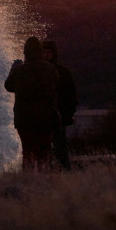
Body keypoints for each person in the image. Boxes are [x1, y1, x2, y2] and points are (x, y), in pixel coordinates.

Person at [5, 37, 59, 170]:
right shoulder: (50, 69)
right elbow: (56, 84)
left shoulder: (19, 71)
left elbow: (8, 86)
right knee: (44, 151)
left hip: (24, 118)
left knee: (28, 151)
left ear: (26, 52)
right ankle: (44, 177)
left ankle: (28, 179)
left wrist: (13, 69)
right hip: (46, 117)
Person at [44, 40, 78, 171]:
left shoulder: (63, 72)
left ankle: (64, 171)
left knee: (60, 148)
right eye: (43, 53)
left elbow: (71, 94)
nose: (46, 55)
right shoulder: (40, 73)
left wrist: (68, 114)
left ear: (53, 54)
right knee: (46, 148)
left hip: (59, 116)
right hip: (44, 116)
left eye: (48, 53)